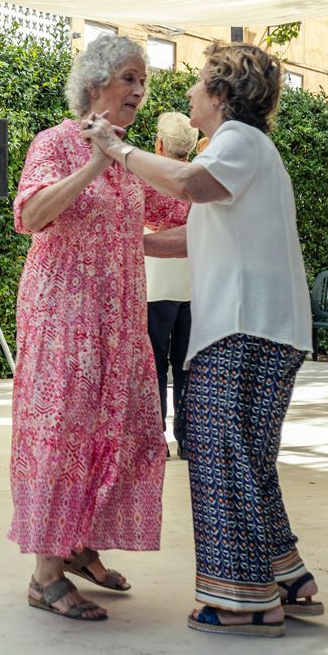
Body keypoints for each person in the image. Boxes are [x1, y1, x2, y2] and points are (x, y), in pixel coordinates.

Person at [86, 43, 317, 637]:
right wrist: (126, 239)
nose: (187, 93)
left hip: (246, 327)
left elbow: (189, 183)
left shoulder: (236, 141)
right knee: (248, 457)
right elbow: (195, 236)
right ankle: (285, 576)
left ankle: (242, 599)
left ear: (221, 94)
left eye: (197, 83)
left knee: (218, 453)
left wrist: (119, 149)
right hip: (264, 327)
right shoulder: (245, 151)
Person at [11, 37, 188, 622]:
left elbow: (181, 220)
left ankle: (80, 545)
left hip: (119, 321)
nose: (140, 91)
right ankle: (44, 575)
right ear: (94, 86)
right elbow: (29, 216)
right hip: (64, 320)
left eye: (143, 81)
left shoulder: (133, 158)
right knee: (61, 435)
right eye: (130, 79)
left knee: (121, 433)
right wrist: (94, 163)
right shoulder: (56, 144)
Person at [145, 111, 199, 458]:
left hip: (153, 281)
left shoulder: (148, 178)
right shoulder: (198, 179)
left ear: (159, 143)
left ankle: (156, 438)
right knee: (186, 366)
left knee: (152, 366)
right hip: (193, 282)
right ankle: (188, 438)